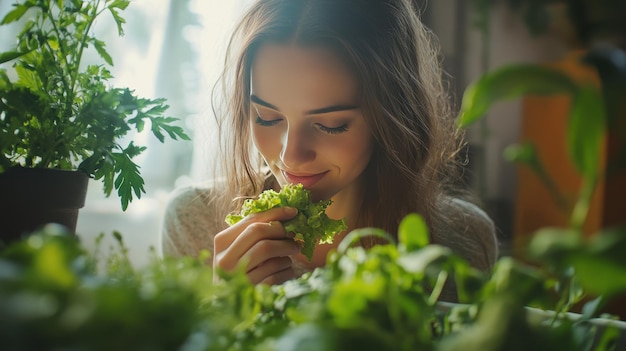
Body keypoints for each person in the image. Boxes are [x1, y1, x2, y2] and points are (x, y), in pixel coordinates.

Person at [160, 0, 498, 301]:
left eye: (331, 124)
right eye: (267, 117)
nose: (291, 156)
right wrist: (225, 312)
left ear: (394, 116)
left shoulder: (463, 243)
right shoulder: (196, 222)